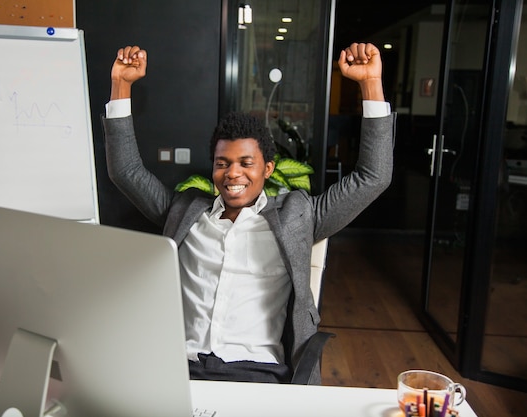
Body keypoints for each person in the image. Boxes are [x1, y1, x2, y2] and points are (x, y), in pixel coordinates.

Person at [103, 43, 395, 384]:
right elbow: (126, 171)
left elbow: (372, 178)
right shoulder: (184, 212)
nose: (232, 174)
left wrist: (370, 84)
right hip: (179, 368)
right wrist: (121, 85)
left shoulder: (299, 217)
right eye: (222, 163)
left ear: (267, 168)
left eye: (246, 163)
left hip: (256, 371)